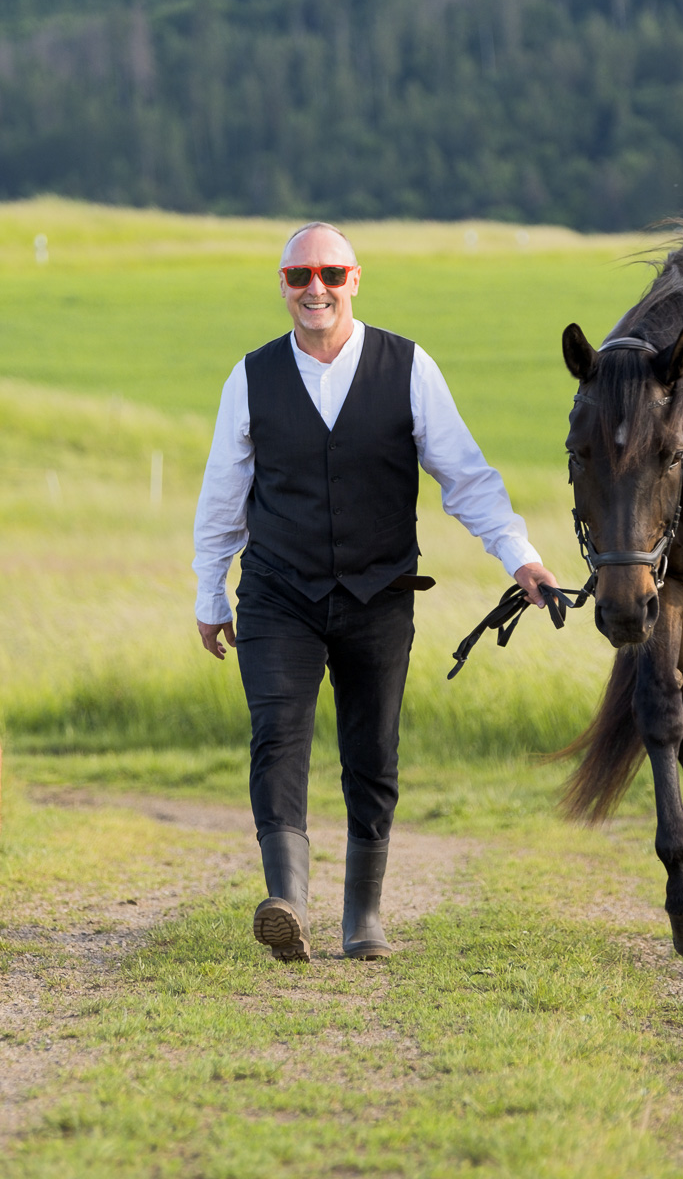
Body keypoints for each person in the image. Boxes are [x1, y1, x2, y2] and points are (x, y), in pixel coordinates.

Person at [193, 221, 557, 962]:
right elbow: (222, 498)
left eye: (329, 273)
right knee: (277, 736)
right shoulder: (250, 377)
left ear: (356, 279)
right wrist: (211, 592)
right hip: (277, 592)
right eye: (299, 276)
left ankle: (363, 918)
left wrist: (520, 557)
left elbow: (466, 478)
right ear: (284, 287)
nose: (314, 288)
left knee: (372, 754)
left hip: (378, 595)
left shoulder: (410, 367)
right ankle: (287, 901)